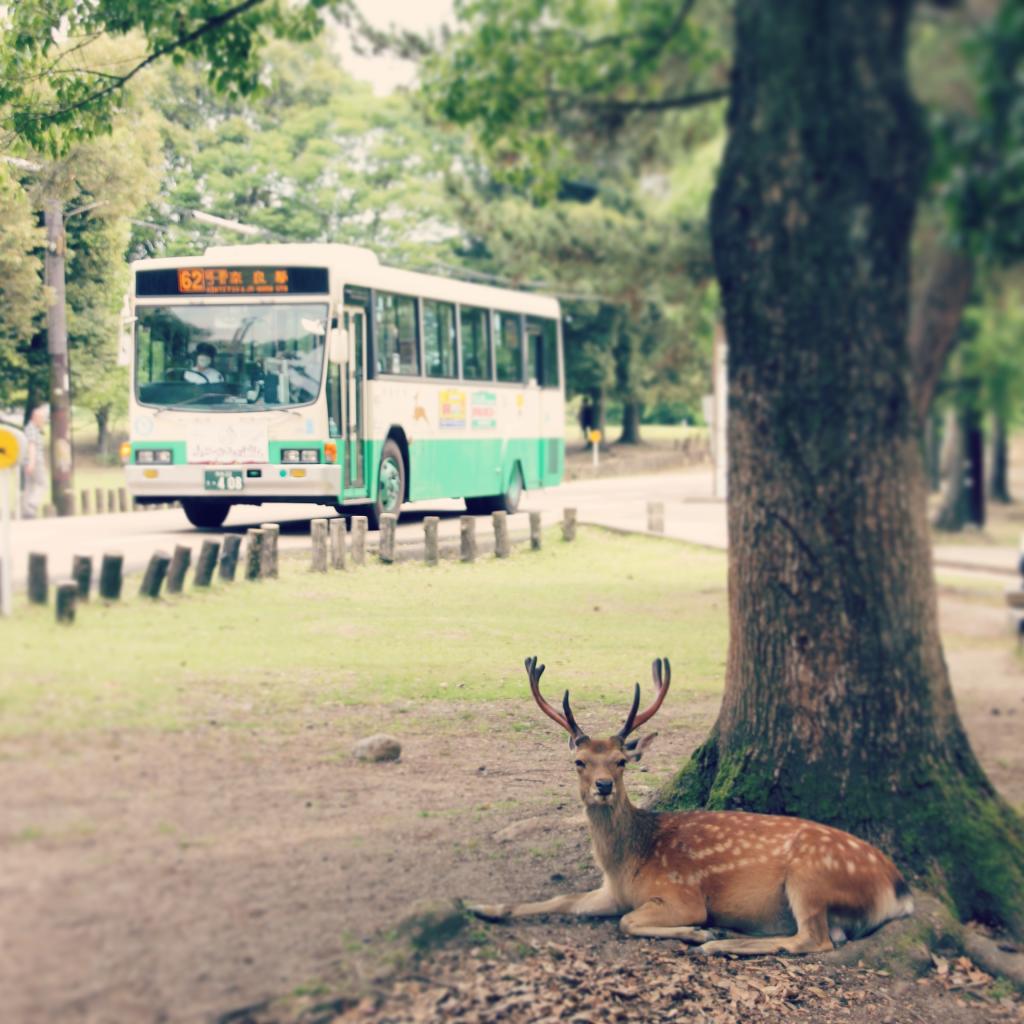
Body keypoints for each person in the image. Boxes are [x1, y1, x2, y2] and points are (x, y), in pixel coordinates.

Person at [20, 404, 48, 519]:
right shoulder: (32, 429)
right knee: (42, 483)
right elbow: (31, 446)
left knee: (30, 486)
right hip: (35, 462)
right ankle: (32, 503)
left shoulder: (29, 428)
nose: (44, 421)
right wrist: (31, 462)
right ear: (36, 418)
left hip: (28, 462)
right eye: (43, 419)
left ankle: (26, 511)